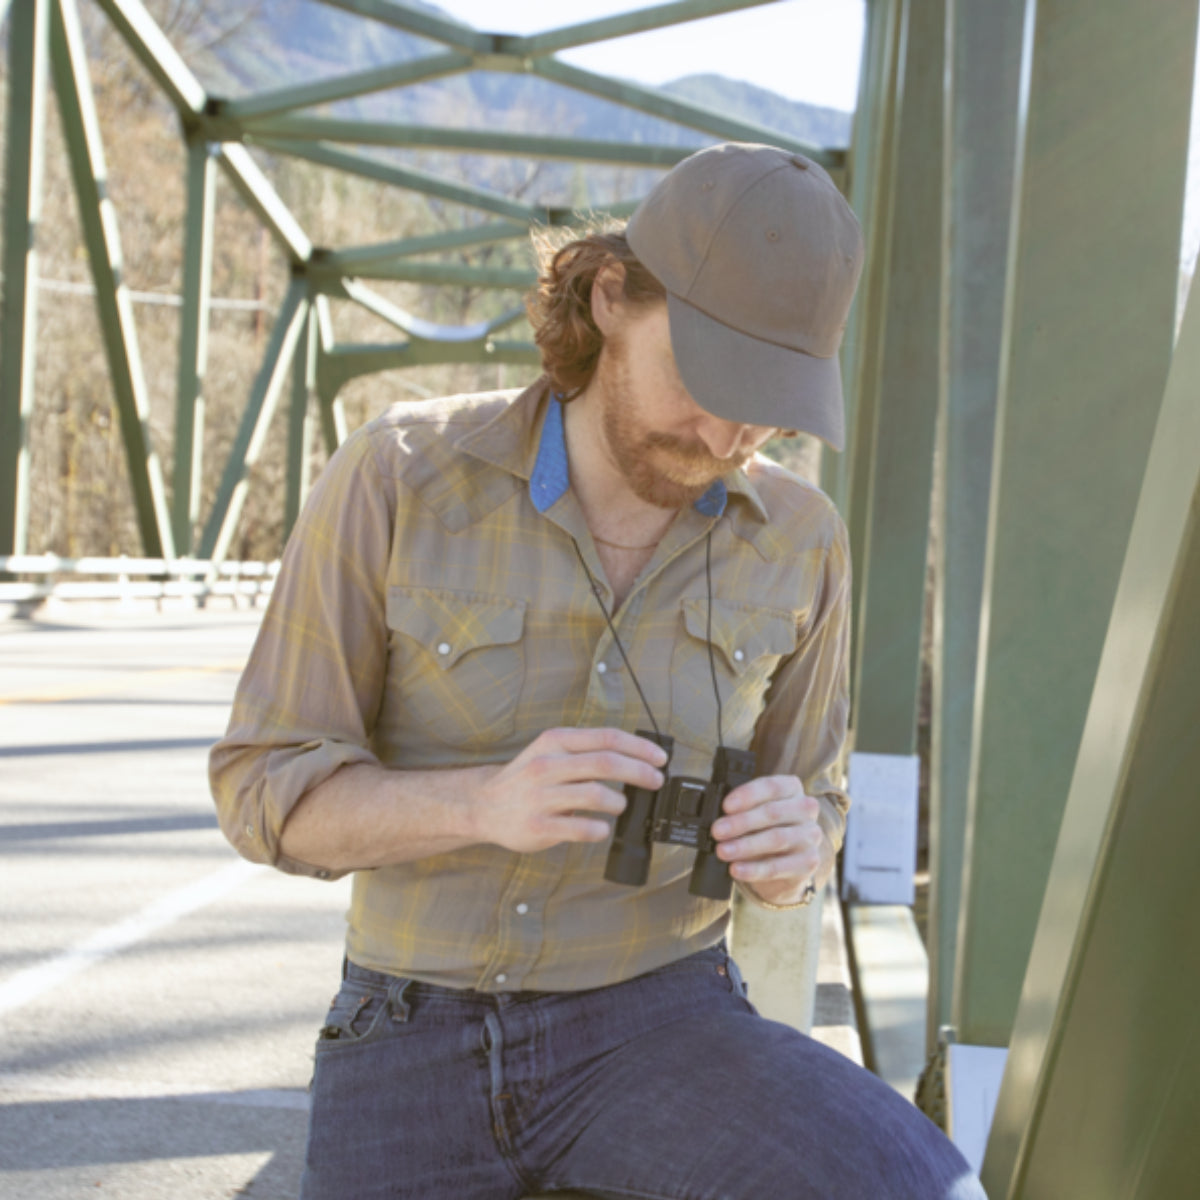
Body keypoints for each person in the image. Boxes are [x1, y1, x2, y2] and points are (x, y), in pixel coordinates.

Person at [210, 142, 984, 1200]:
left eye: (767, 404)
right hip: (406, 1028)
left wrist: (794, 852)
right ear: (612, 296)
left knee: (926, 1187)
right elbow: (265, 792)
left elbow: (819, 800)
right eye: (708, 378)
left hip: (666, 1019)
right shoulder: (396, 475)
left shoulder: (804, 538)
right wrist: (481, 802)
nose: (726, 433)